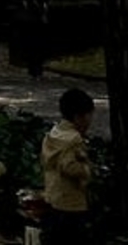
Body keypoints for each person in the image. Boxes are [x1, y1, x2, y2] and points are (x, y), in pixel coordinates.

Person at [40, 87, 95, 241]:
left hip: (53, 196)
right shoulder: (74, 140)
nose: (91, 121)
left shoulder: (53, 134)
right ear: (79, 117)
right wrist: (86, 169)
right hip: (71, 202)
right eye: (90, 116)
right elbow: (69, 166)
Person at [8, 0, 53, 80]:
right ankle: (32, 70)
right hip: (25, 18)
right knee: (28, 45)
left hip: (38, 18)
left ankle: (37, 70)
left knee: (39, 45)